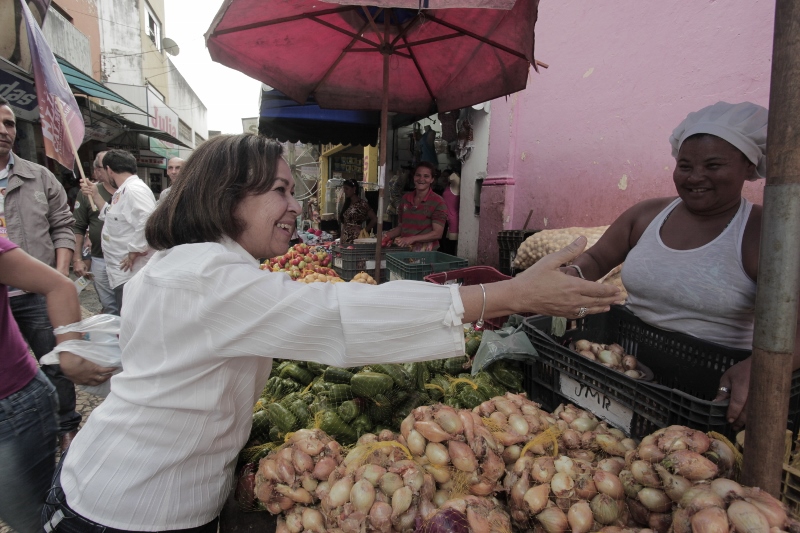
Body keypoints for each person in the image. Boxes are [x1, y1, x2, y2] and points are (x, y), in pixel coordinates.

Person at [46, 134, 621, 533]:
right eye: (280, 191)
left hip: (124, 490)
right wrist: (508, 296)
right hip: (134, 508)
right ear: (227, 200)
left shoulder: (184, 264)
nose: (296, 206)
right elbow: (337, 313)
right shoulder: (207, 274)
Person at [564, 101, 799, 430]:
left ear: (749, 167)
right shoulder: (646, 215)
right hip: (628, 369)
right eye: (685, 165)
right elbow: (597, 258)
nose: (696, 177)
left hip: (710, 388)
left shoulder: (764, 232)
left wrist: (761, 366)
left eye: (714, 165)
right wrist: (571, 275)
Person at [0, 240, 112, 533]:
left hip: (11, 408)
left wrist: (70, 351)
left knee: (38, 521)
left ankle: (68, 428)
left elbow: (59, 285)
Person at [0, 95, 82, 450]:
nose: (4, 130)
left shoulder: (38, 176)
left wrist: (60, 276)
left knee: (57, 364)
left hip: (38, 296)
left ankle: (66, 428)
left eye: (9, 123)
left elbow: (62, 226)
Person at [80, 149, 156, 312]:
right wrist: (95, 194)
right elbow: (113, 215)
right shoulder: (123, 191)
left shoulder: (134, 190)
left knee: (131, 317)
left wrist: (134, 250)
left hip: (132, 273)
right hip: (121, 272)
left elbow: (148, 219)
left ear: (109, 169)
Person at [72, 151, 119, 315]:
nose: (111, 170)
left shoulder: (131, 190)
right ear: (98, 170)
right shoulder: (87, 193)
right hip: (100, 259)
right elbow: (78, 227)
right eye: (105, 166)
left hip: (127, 260)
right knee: (109, 306)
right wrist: (77, 258)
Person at [383, 162, 448, 251]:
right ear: (413, 177)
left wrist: (411, 239)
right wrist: (387, 235)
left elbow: (437, 234)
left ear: (432, 179)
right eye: (418, 175)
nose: (421, 179)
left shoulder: (438, 202)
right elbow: (402, 227)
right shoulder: (405, 199)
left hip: (426, 253)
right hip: (405, 249)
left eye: (426, 176)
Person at [338, 178, 377, 244]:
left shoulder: (362, 204)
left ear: (354, 189)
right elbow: (345, 223)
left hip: (356, 238)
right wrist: (341, 237)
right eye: (344, 189)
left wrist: (364, 230)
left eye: (347, 189)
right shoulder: (347, 204)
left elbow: (375, 219)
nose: (345, 191)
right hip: (345, 237)